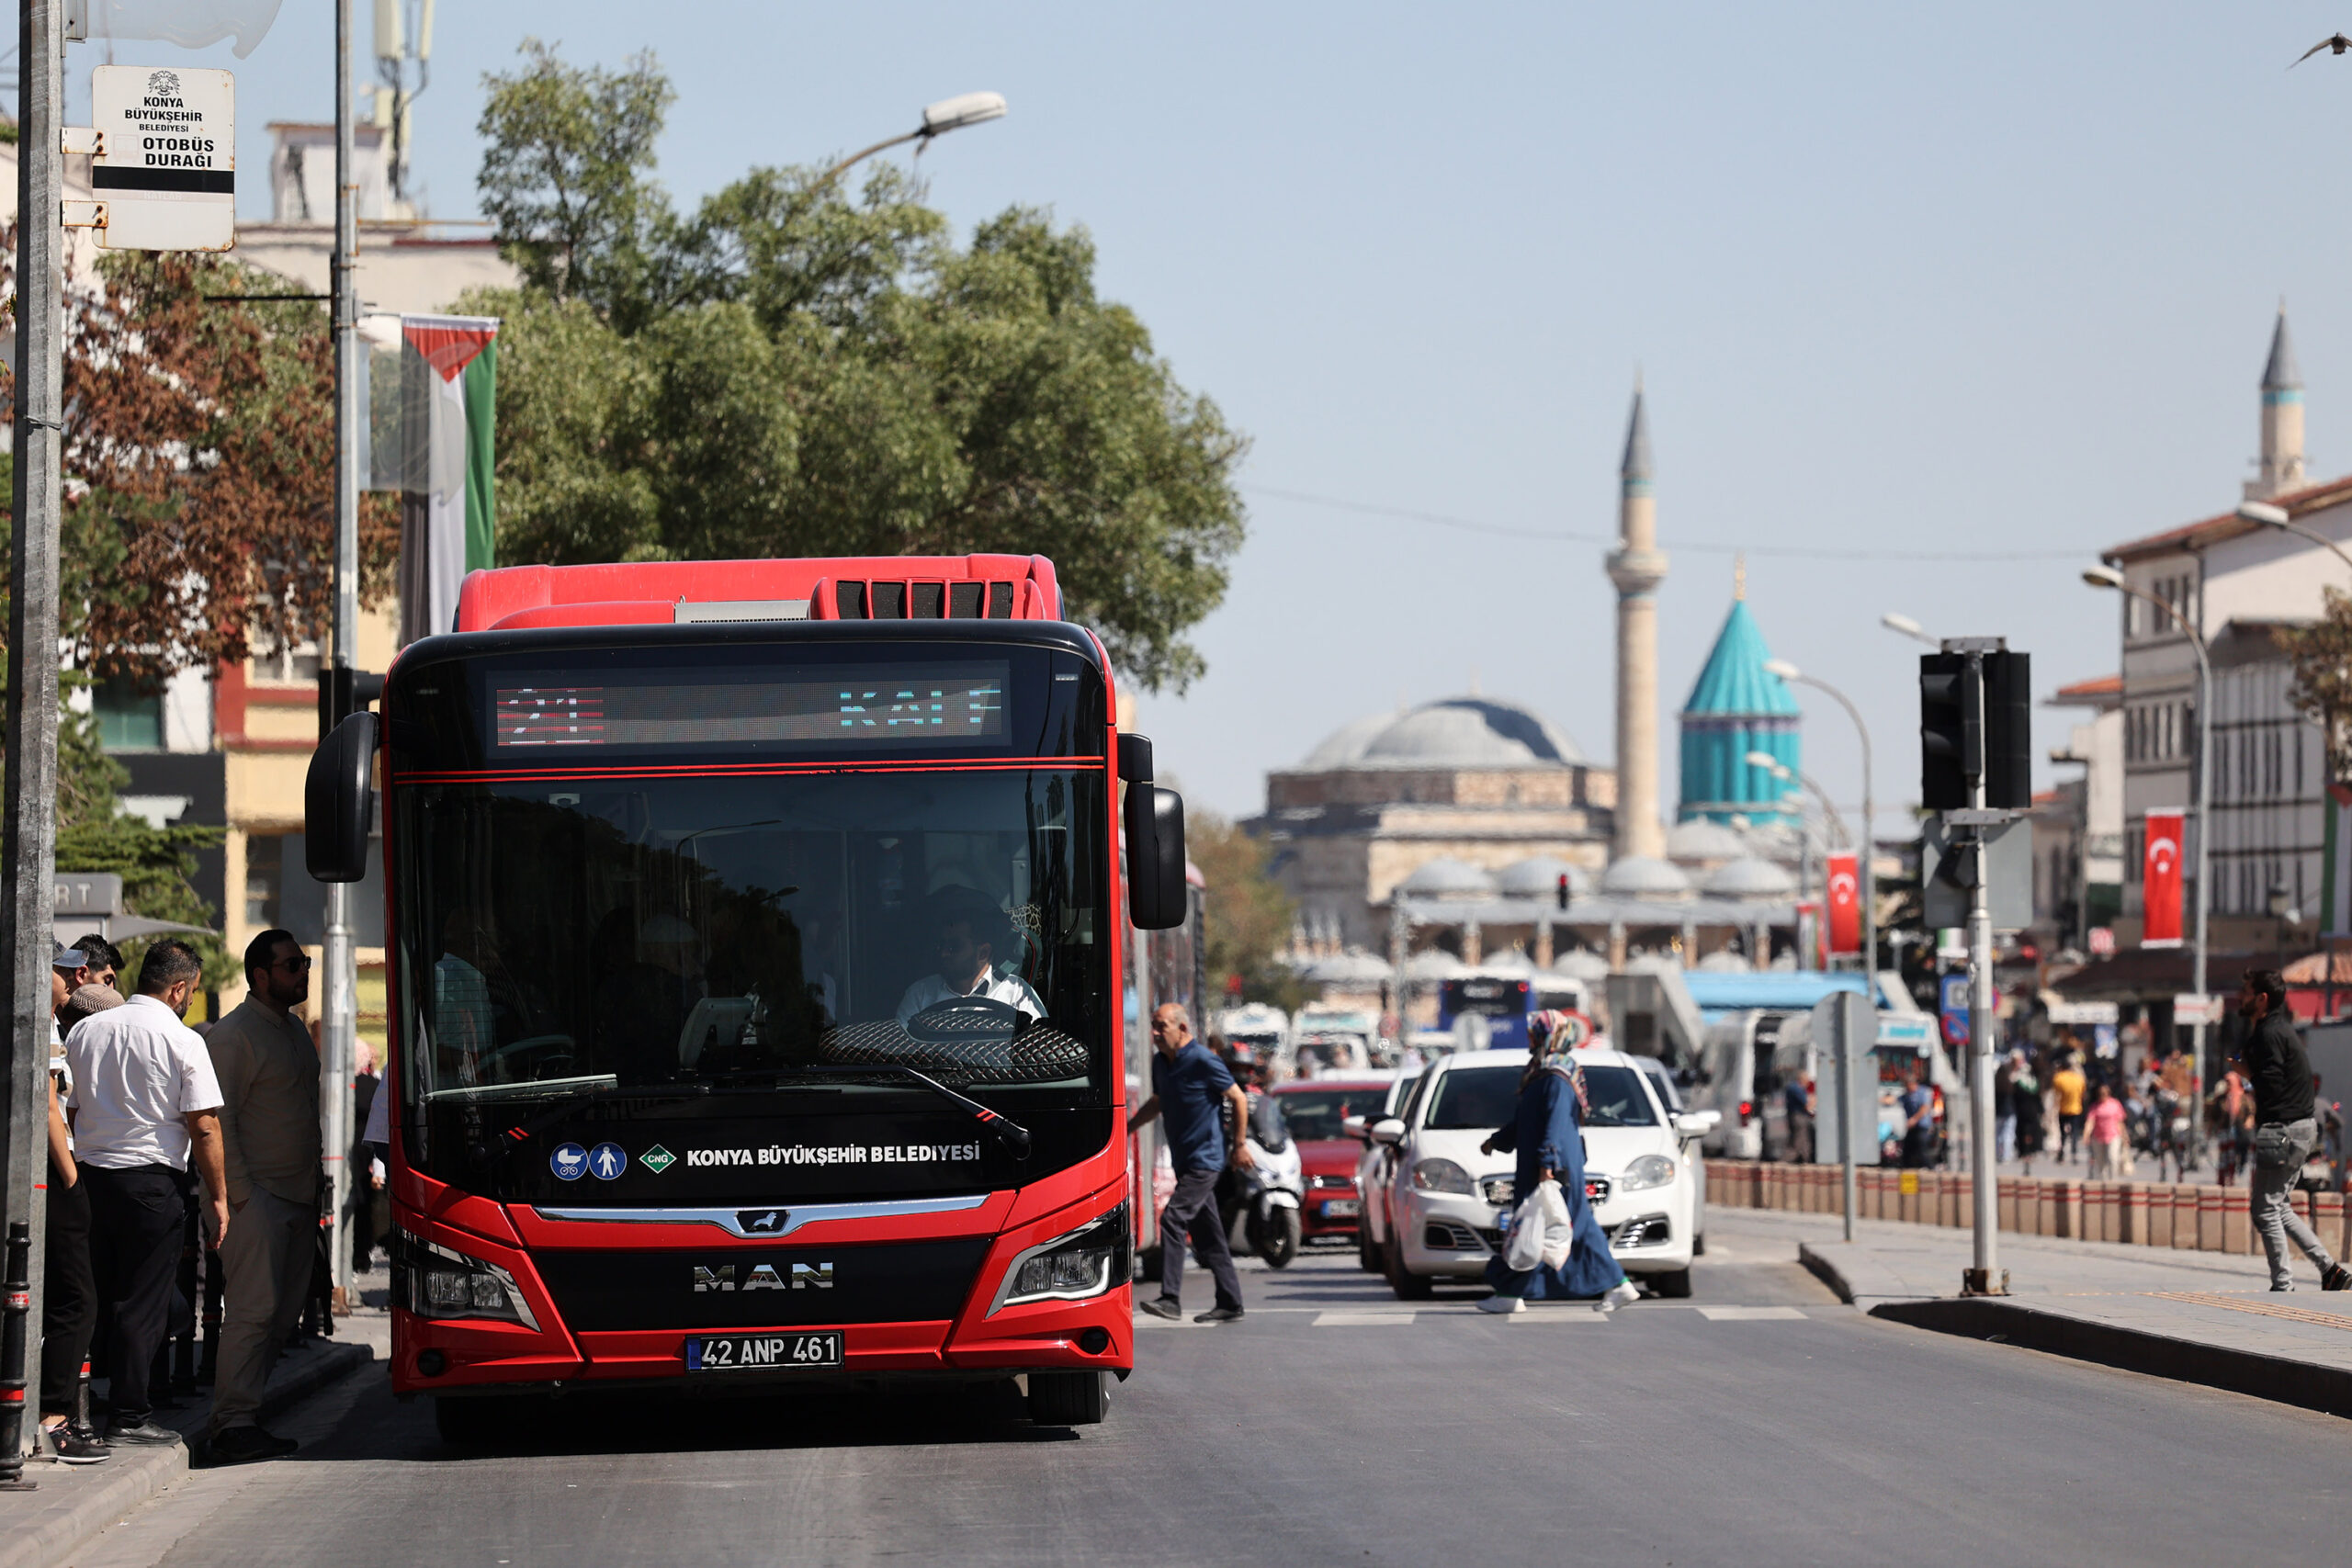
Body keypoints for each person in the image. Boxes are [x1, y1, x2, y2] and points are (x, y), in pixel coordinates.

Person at [65, 939, 227, 1445]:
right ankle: (130, 1416)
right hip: (152, 1185)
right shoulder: (182, 1041)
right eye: (192, 993)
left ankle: (73, 1406)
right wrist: (219, 1197)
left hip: (88, 1179)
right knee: (142, 1302)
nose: (189, 1002)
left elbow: (68, 1109)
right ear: (178, 987)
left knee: (89, 1296)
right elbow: (204, 1127)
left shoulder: (87, 1030)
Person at [199, 929, 323, 1463]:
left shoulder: (293, 1030)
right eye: (293, 964)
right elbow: (215, 1119)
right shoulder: (233, 1035)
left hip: (297, 1196)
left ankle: (246, 1414)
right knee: (253, 1312)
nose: (303, 973)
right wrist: (240, 1195)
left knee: (281, 1316)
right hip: (256, 1200)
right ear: (261, 975)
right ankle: (233, 1424)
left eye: (305, 963)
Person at [1476, 1010, 1637, 1314]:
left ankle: (1511, 1291)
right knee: (1547, 1227)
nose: (1529, 1038)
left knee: (1540, 1226)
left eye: (1534, 1032)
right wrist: (1498, 1142)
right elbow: (1528, 1120)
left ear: (1549, 1035)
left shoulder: (1556, 1076)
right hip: (1547, 1162)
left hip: (1553, 1165)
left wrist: (1547, 1164)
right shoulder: (1543, 1071)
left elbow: (1554, 1122)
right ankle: (1513, 1292)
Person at [1127, 1003, 1251, 1324]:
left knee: (1172, 1219)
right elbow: (1159, 1102)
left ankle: (1170, 1298)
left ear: (1182, 1028)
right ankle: (1231, 1301)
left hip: (1205, 1160)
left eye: (1161, 1026)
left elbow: (1237, 1098)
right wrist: (1126, 1128)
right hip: (1184, 1161)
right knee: (1209, 1236)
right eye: (1152, 1026)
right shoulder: (1160, 1063)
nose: (1154, 1033)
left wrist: (1239, 1145)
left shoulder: (1203, 1060)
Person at [2234, 969, 2351, 1292]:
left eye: (2245, 991)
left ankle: (2283, 1284)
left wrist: (2245, 1072)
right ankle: (2330, 1271)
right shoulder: (2278, 1030)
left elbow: (2269, 1082)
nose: (2240, 997)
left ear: (2262, 999)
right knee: (2278, 1205)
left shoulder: (2269, 1034)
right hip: (2300, 1128)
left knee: (2264, 1209)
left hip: (2284, 1129)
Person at [40, 944, 109, 1464]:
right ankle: (53, 1418)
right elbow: (48, 1107)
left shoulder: (54, 1024)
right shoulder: (38, 1025)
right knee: (76, 1298)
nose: (77, 978)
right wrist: (71, 1181)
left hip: (51, 1174)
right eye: (67, 971)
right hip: (53, 1178)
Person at [895, 894, 1044, 1025]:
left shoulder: (1017, 993)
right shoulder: (919, 995)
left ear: (983, 952)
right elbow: (902, 1051)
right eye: (940, 945)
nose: (944, 954)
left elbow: (1039, 1047)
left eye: (954, 947)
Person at [2085, 1081, 2129, 1179]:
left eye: (2104, 1094)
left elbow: (2120, 1122)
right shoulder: (2094, 1106)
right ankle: (2102, 1182)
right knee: (2100, 1162)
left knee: (2113, 1158)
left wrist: (2125, 1136)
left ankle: (2113, 1180)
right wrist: (2086, 1135)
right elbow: (2090, 1122)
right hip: (2098, 1137)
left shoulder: (2115, 1104)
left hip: (2113, 1135)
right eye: (2100, 1094)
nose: (2102, 1096)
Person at [2051, 1054, 2087, 1164]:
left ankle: (2061, 1154)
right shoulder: (2078, 1079)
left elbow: (2056, 1095)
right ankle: (2074, 1153)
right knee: (2075, 1132)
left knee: (2062, 1133)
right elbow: (2083, 1093)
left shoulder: (2059, 1078)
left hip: (2063, 1109)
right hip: (2076, 1108)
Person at [1781, 1073, 1814, 1165]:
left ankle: (1805, 1159)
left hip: (1796, 1116)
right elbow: (1807, 1105)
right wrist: (1814, 1100)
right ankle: (1785, 1160)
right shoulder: (1796, 1089)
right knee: (1798, 1140)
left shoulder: (1794, 1088)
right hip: (1798, 1116)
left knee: (1804, 1140)